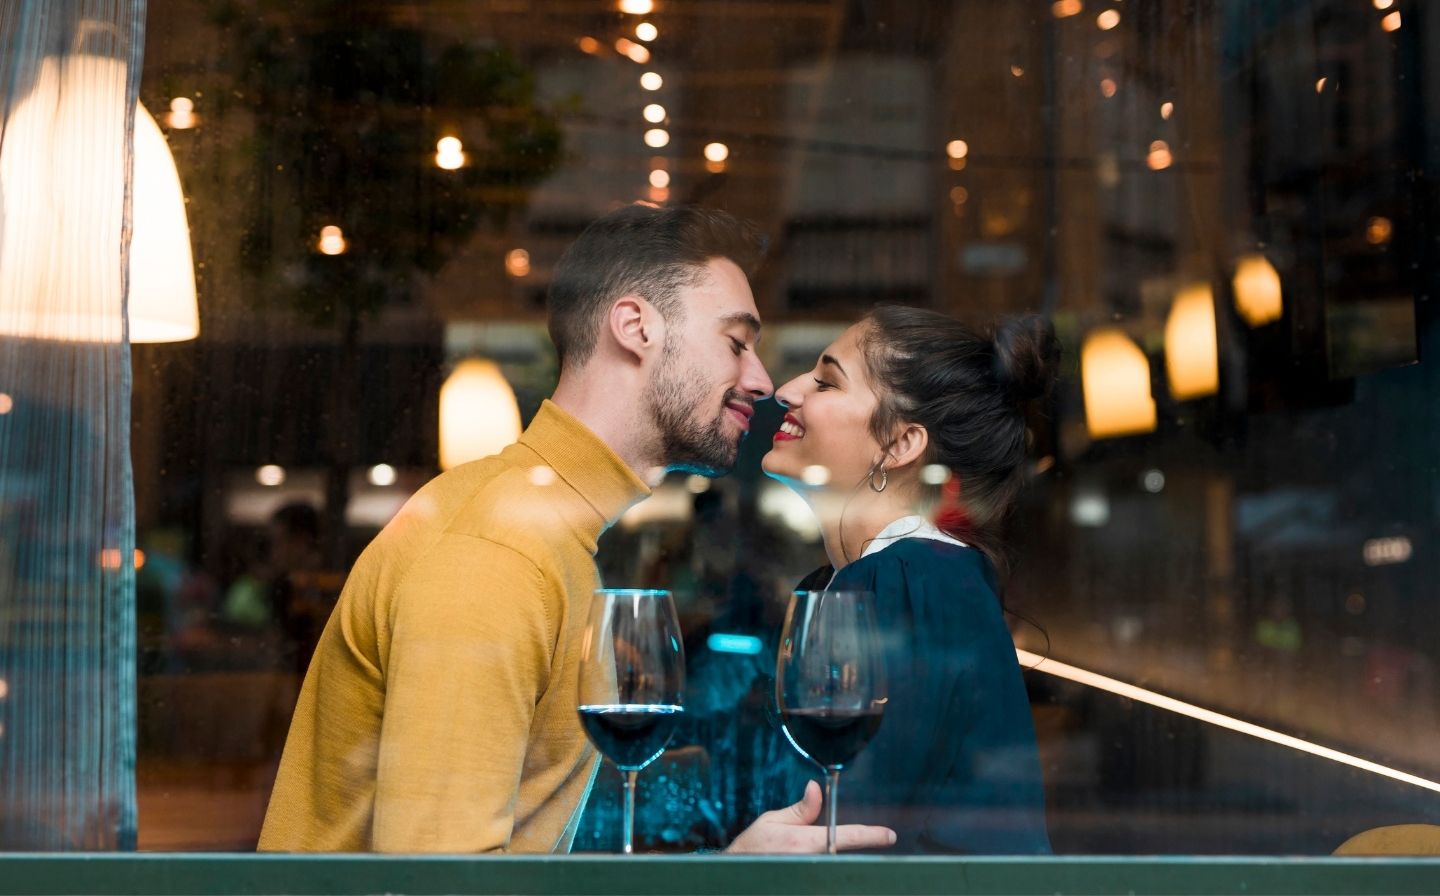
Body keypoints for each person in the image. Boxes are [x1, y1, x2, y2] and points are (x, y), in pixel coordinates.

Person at [259, 204, 895, 854]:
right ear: (635, 327)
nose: (761, 381)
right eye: (736, 342)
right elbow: (442, 891)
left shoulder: (541, 533)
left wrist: (725, 868)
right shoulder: (497, 554)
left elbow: (527, 851)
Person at [760, 304, 1057, 854]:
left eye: (826, 382)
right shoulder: (894, 577)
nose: (786, 390)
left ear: (899, 445)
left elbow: (848, 839)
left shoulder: (903, 581)